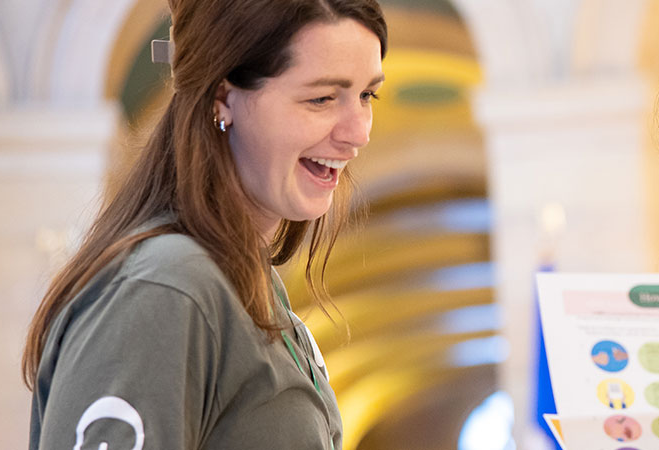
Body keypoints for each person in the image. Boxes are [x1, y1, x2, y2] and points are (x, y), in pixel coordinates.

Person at [21, 0, 386, 448]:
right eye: (322, 98)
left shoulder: (251, 285)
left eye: (368, 95)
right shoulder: (166, 288)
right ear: (222, 97)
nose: (359, 132)